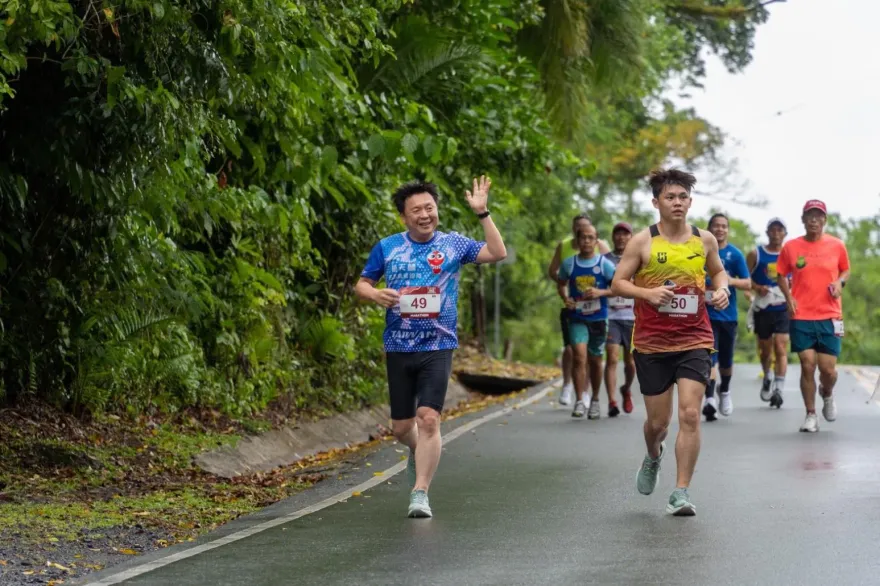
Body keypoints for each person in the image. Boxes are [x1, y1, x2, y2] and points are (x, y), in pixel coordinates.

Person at [355, 177, 507, 517]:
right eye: (416, 211)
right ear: (404, 217)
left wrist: (483, 213)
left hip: (438, 344)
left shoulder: (453, 244)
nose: (424, 215)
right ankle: (417, 450)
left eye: (429, 208)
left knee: (429, 419)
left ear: (436, 209)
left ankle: (420, 493)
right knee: (401, 428)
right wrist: (376, 294)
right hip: (398, 345)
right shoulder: (388, 246)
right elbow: (361, 285)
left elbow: (497, 252)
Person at [611, 168, 730, 516]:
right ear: (656, 202)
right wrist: (648, 293)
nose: (677, 203)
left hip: (695, 339)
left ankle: (681, 492)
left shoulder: (704, 240)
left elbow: (718, 270)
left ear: (690, 202)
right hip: (651, 343)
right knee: (658, 425)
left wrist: (721, 288)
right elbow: (619, 283)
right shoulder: (642, 241)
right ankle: (652, 456)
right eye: (670, 197)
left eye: (682, 197)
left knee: (690, 415)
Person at [776, 200, 850, 433]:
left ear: (824, 220)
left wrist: (840, 282)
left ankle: (826, 393)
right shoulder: (791, 247)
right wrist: (789, 298)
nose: (814, 220)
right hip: (802, 315)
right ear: (803, 219)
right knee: (807, 365)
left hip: (830, 315)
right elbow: (781, 274)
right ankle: (810, 414)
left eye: (819, 216)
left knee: (828, 370)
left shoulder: (837, 245)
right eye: (810, 216)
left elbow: (845, 269)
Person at [548, 215, 610, 406]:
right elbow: (557, 277)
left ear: (595, 239)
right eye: (582, 235)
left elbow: (616, 281)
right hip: (575, 314)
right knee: (576, 353)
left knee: (594, 357)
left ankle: (591, 394)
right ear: (576, 234)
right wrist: (566, 297)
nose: (586, 240)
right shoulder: (567, 256)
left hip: (598, 316)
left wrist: (601, 292)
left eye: (590, 236)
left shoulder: (603, 258)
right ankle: (573, 392)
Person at [702, 213, 751, 421]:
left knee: (725, 361)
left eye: (723, 226)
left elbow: (747, 283)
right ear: (710, 228)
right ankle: (709, 399)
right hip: (706, 314)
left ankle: (725, 391)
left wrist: (727, 281)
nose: (720, 229)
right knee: (709, 357)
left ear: (727, 230)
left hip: (728, 316)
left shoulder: (735, 254)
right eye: (716, 226)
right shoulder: (700, 253)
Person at [746, 218, 790, 408]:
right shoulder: (756, 254)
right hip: (763, 307)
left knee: (780, 346)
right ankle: (768, 376)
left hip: (783, 307)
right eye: (772, 229)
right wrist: (757, 287)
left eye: (780, 230)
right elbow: (745, 279)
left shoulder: (791, 254)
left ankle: (779, 388)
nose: (776, 233)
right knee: (765, 350)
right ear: (767, 232)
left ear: (784, 234)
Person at [604, 222, 637, 416]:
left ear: (631, 237)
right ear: (613, 237)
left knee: (631, 363)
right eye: (618, 234)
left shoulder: (638, 259)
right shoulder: (603, 260)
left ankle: (626, 389)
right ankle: (612, 402)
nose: (621, 238)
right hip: (611, 317)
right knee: (612, 359)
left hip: (632, 317)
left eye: (625, 234)